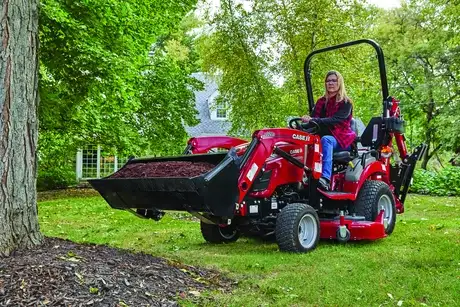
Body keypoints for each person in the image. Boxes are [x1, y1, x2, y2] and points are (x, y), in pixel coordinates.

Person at [302, 70, 356, 190]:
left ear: (339, 82)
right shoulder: (321, 101)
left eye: (334, 80)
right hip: (321, 138)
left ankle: (325, 178)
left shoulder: (346, 103)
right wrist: (302, 124)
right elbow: (313, 120)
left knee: (326, 140)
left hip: (341, 140)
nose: (330, 83)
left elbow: (335, 120)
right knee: (301, 140)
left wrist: (313, 120)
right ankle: (302, 176)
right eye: (328, 81)